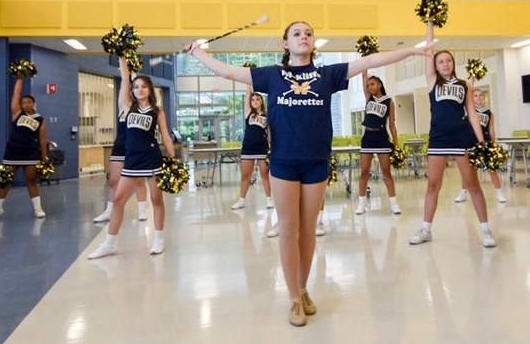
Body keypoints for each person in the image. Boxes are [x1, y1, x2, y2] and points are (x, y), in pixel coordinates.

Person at [182, 21, 426, 327]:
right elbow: (229, 72)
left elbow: (371, 60)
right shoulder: (272, 75)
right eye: (296, 33)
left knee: (308, 229)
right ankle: (294, 298)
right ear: (285, 44)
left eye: (308, 33)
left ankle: (302, 288)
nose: (304, 36)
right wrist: (197, 53)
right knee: (288, 229)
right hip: (284, 163)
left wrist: (414, 51)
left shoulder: (327, 75)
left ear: (313, 43)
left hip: (316, 162)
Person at [408, 24, 497, 249]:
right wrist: (429, 24)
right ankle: (426, 229)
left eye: (448, 60)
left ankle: (486, 230)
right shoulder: (431, 82)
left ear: (453, 64)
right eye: (440, 61)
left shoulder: (464, 84)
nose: (445, 63)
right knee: (432, 186)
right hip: (438, 138)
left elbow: (473, 116)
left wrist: (482, 143)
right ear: (435, 66)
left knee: (472, 184)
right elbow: (428, 52)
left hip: (461, 137)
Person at [88, 54, 176, 258]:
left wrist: (173, 161)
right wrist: (122, 57)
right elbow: (125, 78)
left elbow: (166, 137)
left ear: (150, 90)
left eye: (144, 86)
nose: (139, 89)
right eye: (136, 87)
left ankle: (158, 239)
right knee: (118, 199)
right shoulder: (127, 106)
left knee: (156, 200)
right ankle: (110, 243)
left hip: (152, 158)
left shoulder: (157, 110)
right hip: (132, 160)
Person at [0, 76, 49, 220]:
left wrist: (44, 157)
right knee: (5, 180)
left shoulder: (41, 120)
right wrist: (20, 77)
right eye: (23, 103)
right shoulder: (17, 113)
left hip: (30, 153)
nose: (26, 104)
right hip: (13, 151)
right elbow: (16, 94)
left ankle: (38, 208)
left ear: (34, 103)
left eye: (29, 102)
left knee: (31, 180)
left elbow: (42, 140)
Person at [91, 104, 149, 224]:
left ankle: (142, 210)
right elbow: (124, 88)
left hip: (134, 147)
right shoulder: (123, 107)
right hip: (120, 146)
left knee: (139, 180)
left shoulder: (142, 110)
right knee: (113, 180)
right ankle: (109, 211)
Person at [355, 70, 401, 215]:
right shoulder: (369, 98)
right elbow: (364, 76)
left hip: (381, 137)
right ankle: (361, 203)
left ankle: (394, 203)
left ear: (380, 84)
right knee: (364, 172)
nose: (369, 87)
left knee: (386, 172)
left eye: (372, 84)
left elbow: (392, 124)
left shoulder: (389, 101)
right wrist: (365, 68)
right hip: (368, 137)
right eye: (368, 85)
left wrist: (396, 143)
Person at [454, 89, 506, 204]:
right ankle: (463, 192)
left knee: (491, 169)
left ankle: (499, 192)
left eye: (481, 95)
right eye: (476, 96)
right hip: (470, 141)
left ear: (484, 97)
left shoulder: (489, 113)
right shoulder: (469, 110)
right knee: (467, 170)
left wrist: (493, 144)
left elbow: (491, 129)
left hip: (485, 142)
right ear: (472, 98)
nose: (479, 98)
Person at [232, 83, 273, 210]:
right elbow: (248, 93)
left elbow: (270, 133)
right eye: (253, 100)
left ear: (261, 101)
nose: (255, 101)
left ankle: (269, 199)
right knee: (246, 175)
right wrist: (248, 82)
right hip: (248, 148)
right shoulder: (248, 113)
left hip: (262, 148)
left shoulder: (267, 116)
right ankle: (241, 200)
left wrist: (272, 147)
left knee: (264, 174)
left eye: (257, 99)